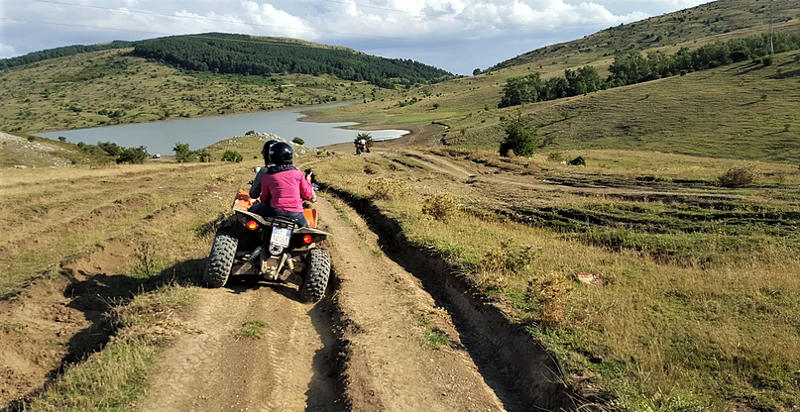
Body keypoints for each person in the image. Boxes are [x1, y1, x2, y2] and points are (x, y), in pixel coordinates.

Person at [249, 142, 315, 227]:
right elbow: (308, 195)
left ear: (272, 157)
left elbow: (264, 199)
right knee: (306, 230)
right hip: (295, 214)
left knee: (251, 211)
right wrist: (308, 181)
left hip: (274, 212)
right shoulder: (297, 173)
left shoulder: (268, 176)